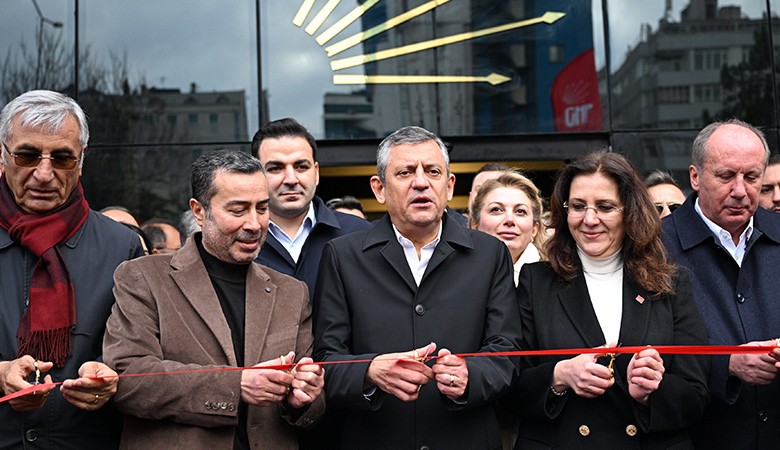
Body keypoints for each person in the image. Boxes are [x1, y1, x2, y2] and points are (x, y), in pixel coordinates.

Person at [313, 126, 522, 449]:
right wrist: (369, 371)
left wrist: (472, 374)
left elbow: (507, 351)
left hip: (465, 438)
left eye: (433, 171)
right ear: (379, 188)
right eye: (405, 172)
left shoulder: (489, 254)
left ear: (449, 186)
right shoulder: (343, 256)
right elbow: (325, 360)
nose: (421, 182)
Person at [103, 150, 325, 449]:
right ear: (198, 211)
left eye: (262, 208)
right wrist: (236, 386)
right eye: (238, 210)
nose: (255, 224)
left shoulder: (292, 293)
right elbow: (128, 379)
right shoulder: (143, 277)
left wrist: (302, 399)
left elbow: (314, 407)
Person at [506, 150, 710, 449]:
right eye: (578, 206)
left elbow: (697, 397)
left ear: (630, 211)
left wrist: (653, 392)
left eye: (604, 206)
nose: (589, 219)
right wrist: (559, 376)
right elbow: (509, 388)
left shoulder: (671, 284)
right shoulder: (535, 282)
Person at [0, 90, 144, 448]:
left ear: (81, 161)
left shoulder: (121, 245)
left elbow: (139, 349)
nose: (44, 173)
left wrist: (109, 375)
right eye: (27, 155)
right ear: (2, 157)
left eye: (62, 158)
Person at [661, 119, 780, 449]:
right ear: (695, 177)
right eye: (726, 176)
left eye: (752, 177)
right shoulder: (655, 246)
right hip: (701, 436)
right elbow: (643, 347)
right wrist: (726, 365)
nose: (740, 190)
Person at [251, 118, 371, 302]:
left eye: (301, 167)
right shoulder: (240, 242)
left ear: (316, 173)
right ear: (256, 176)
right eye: (276, 168)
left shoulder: (361, 235)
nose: (291, 179)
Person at [469, 171, 547, 285]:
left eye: (520, 211)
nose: (509, 220)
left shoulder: (555, 282)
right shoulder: (453, 277)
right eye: (496, 209)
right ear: (475, 225)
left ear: (534, 230)